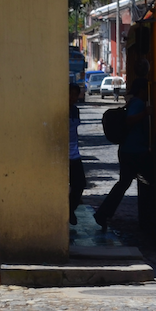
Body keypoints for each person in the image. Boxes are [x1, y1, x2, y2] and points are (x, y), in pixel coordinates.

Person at [93, 71, 149, 230]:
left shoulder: (133, 102)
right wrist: (145, 113)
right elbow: (129, 120)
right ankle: (103, 214)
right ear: (141, 90)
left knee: (123, 183)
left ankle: (103, 214)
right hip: (134, 152)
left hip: (129, 150)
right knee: (144, 182)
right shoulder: (138, 103)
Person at [68, 83, 85, 226]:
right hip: (62, 155)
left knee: (79, 184)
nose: (73, 98)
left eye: (75, 95)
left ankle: (70, 209)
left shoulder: (75, 111)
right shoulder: (61, 110)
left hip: (74, 153)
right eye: (71, 94)